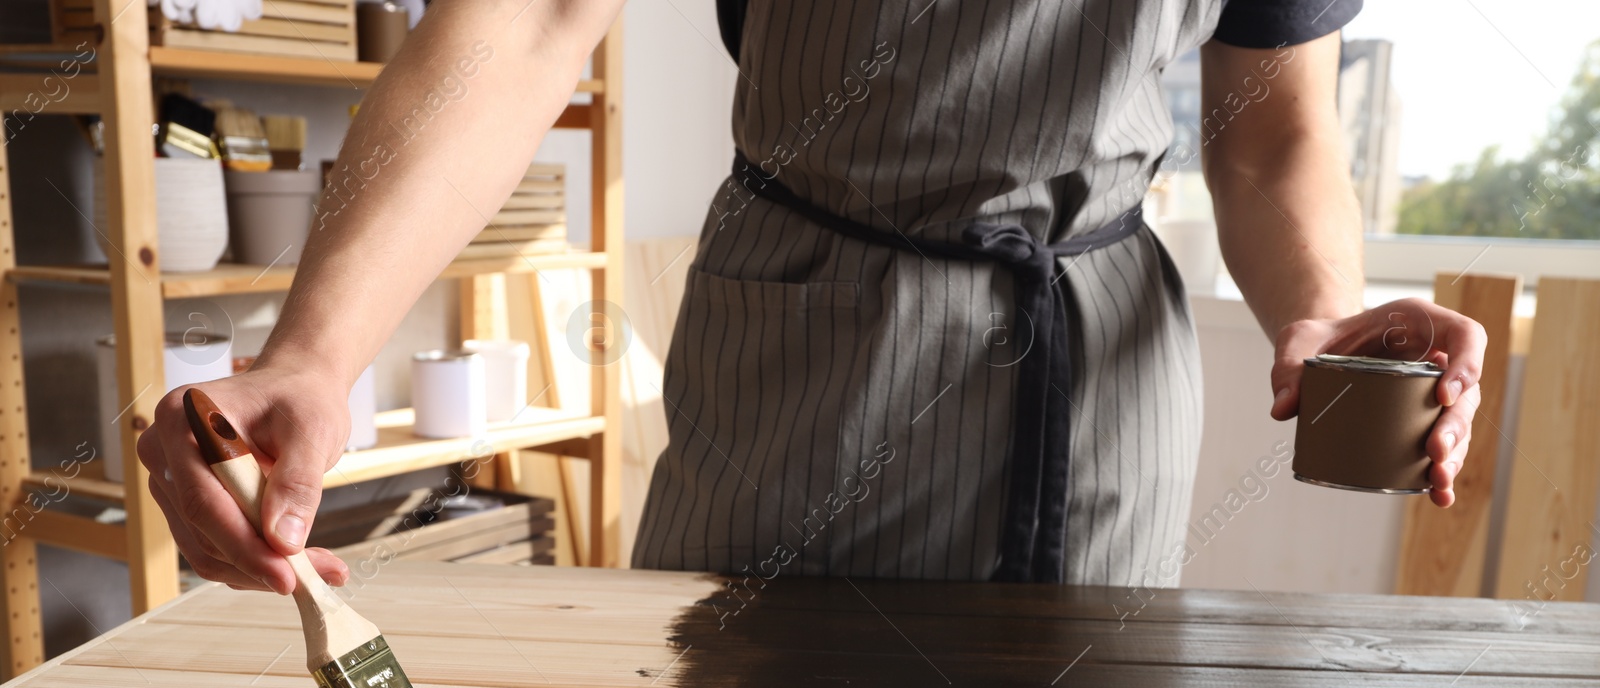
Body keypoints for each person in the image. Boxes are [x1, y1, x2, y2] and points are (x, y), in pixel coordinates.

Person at [139, 0, 1486, 596]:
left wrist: (1324, 306)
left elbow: (1269, 125)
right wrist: (316, 351)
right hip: (803, 341)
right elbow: (533, 13)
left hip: (1098, 377)